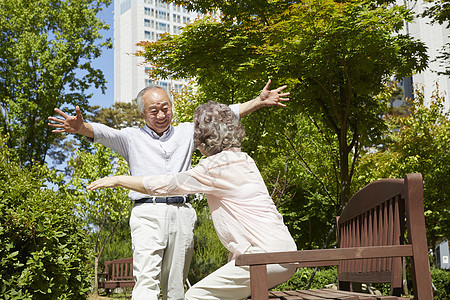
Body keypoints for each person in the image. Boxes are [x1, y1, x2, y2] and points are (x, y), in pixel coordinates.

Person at [47, 80, 290, 300]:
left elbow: (224, 116)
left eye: (165, 108)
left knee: (176, 285)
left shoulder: (187, 132)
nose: (161, 114)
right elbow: (102, 132)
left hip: (182, 212)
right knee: (147, 279)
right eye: (153, 110)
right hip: (148, 213)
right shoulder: (130, 138)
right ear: (143, 114)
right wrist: (81, 127)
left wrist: (258, 102)